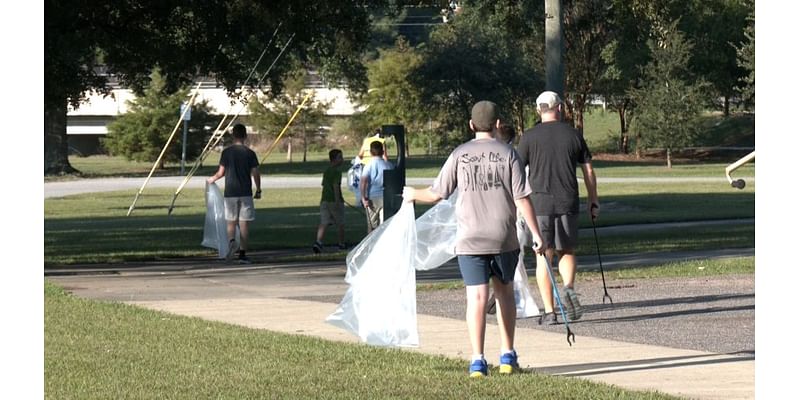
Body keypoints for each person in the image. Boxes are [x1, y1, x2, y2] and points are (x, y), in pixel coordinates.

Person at [403, 101, 544, 377]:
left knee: (476, 298)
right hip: (504, 237)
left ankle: (477, 359)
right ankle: (506, 355)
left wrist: (412, 194)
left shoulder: (460, 154)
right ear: (498, 124)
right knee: (504, 294)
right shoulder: (508, 154)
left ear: (471, 125)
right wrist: (537, 235)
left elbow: (436, 193)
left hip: (469, 239)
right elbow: (522, 199)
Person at [516, 91, 599, 325]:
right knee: (567, 251)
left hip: (539, 204)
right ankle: (569, 287)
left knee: (544, 255)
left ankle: (551, 311)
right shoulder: (573, 135)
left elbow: (517, 172)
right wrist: (593, 200)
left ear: (538, 110)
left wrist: (519, 204)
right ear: (560, 108)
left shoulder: (529, 137)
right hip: (568, 200)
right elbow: (589, 171)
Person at [207, 123, 262, 265]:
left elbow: (221, 172)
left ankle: (232, 241)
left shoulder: (226, 153)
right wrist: (258, 189)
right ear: (245, 136)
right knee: (244, 224)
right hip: (245, 192)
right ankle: (242, 254)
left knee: (231, 222)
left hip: (230, 192)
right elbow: (255, 172)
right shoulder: (250, 153)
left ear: (233, 136)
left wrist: (212, 179)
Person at [313, 149, 347, 253]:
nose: (342, 159)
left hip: (324, 200)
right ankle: (341, 244)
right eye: (340, 157)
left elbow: (324, 185)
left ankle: (318, 242)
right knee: (340, 223)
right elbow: (336, 187)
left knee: (324, 222)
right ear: (334, 159)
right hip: (334, 201)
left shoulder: (327, 171)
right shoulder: (337, 172)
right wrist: (338, 201)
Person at [360, 141, 393, 233]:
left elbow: (363, 182)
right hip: (386, 196)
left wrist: (363, 198)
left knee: (372, 225)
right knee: (385, 224)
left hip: (372, 197)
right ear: (383, 152)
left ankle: (371, 245)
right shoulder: (389, 165)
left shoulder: (368, 166)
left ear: (370, 152)